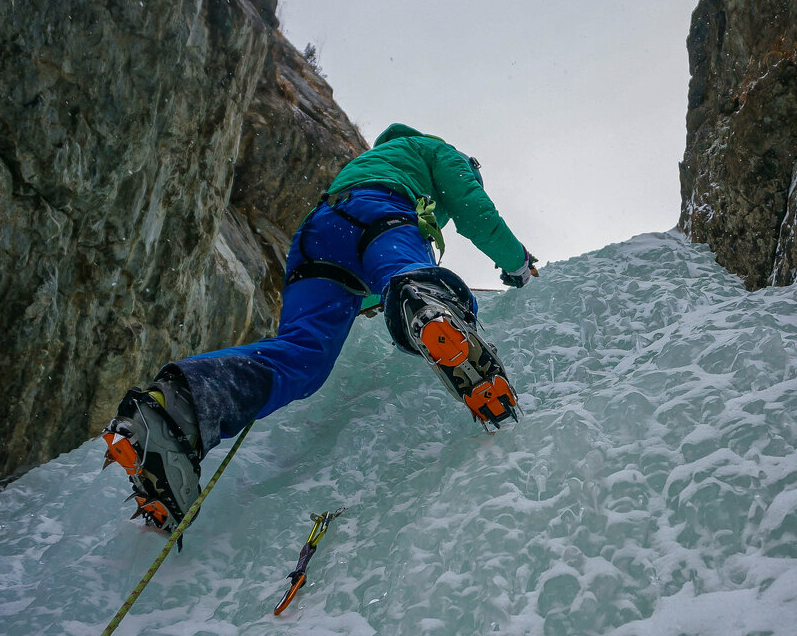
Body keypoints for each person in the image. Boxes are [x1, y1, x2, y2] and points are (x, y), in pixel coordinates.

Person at [101, 123, 538, 532]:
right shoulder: (437, 151)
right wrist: (517, 263)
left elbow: (363, 276)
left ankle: (171, 410)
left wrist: (375, 299)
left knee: (302, 355)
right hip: (380, 210)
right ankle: (428, 308)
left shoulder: (371, 158)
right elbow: (472, 208)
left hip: (316, 238)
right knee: (407, 274)